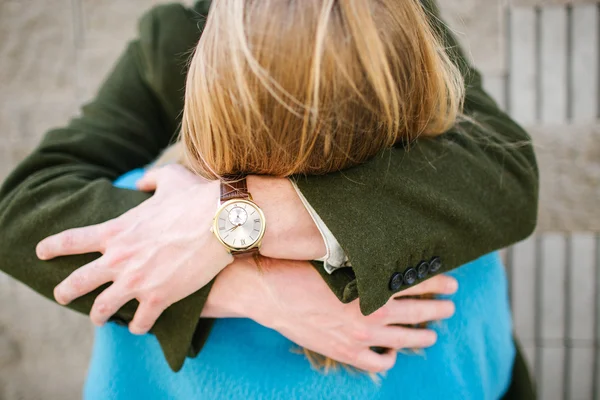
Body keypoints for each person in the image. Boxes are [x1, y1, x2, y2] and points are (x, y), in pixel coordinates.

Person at [0, 0, 538, 398]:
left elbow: (505, 170)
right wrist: (257, 288)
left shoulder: (389, 12)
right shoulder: (172, 37)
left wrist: (231, 219)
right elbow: (19, 212)